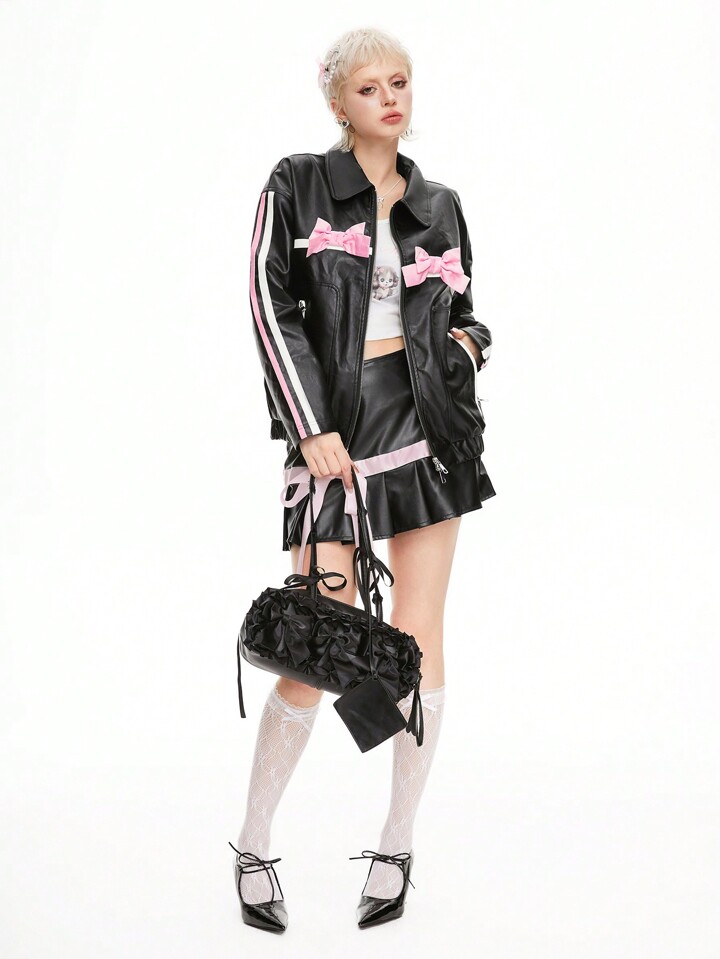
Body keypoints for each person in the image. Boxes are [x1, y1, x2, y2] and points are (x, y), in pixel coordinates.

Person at [230, 27, 496, 932]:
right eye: (372, 85)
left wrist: (465, 351)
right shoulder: (298, 182)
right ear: (338, 101)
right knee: (315, 647)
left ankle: (397, 840)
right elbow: (267, 302)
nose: (392, 97)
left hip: (428, 432)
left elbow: (468, 313)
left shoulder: (440, 203)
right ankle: (254, 840)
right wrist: (310, 425)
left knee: (419, 640)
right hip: (333, 434)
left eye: (402, 81)